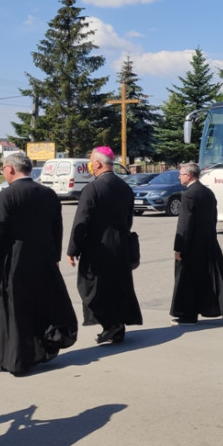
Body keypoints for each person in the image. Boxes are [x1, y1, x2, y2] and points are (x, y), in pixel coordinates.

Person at [0, 153, 78, 374]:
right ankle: (37, 353)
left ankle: (16, 359)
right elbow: (56, 229)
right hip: (42, 261)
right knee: (37, 308)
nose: (3, 171)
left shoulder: (7, 195)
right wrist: (54, 259)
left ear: (11, 169)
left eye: (3, 168)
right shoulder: (48, 194)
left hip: (13, 261)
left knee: (16, 311)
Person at [67, 146, 142, 344]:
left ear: (98, 164)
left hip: (97, 247)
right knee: (115, 288)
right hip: (120, 245)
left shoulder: (92, 188)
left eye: (91, 162)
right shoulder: (125, 187)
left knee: (89, 288)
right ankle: (117, 328)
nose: (91, 166)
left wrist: (72, 249)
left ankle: (111, 324)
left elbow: (81, 221)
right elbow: (128, 219)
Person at [171, 162, 223, 325]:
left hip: (192, 245)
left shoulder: (188, 195)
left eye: (181, 174)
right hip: (209, 242)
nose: (179, 177)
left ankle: (188, 315)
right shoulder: (207, 192)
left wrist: (179, 248)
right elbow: (213, 217)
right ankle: (222, 300)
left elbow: (184, 224)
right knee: (207, 277)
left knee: (187, 280)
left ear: (189, 175)